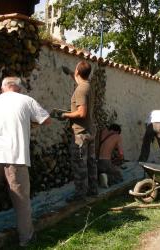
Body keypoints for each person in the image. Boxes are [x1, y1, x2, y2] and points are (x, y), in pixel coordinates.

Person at [0, 77, 51, 247]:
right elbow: (47, 120)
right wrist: (30, 124)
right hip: (16, 159)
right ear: (18, 88)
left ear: (3, 87)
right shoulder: (27, 100)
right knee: (22, 201)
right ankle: (26, 239)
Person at [62, 61, 98, 202]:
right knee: (91, 163)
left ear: (78, 71)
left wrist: (65, 115)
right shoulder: (88, 86)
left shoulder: (80, 90)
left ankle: (80, 195)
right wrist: (71, 72)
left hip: (81, 133)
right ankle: (93, 191)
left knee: (79, 165)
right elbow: (80, 80)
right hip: (90, 130)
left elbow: (81, 113)